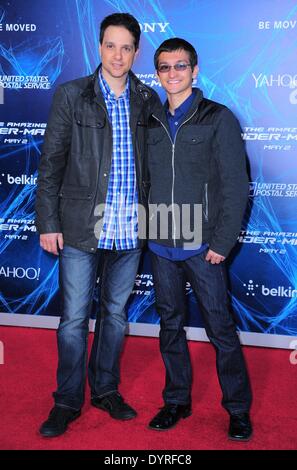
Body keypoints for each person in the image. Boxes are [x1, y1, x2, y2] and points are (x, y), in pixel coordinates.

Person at [35, 13, 159, 437]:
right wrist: (48, 221)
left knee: (115, 315)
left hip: (129, 229)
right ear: (99, 46)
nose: (118, 55)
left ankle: (105, 388)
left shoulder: (146, 99)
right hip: (81, 227)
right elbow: (50, 163)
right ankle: (67, 400)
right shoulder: (72, 95)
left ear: (136, 51)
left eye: (127, 47)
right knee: (73, 319)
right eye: (111, 45)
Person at [146, 38, 252, 441]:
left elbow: (235, 185)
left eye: (180, 66)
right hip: (160, 243)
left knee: (221, 330)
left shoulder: (218, 117)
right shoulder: (150, 118)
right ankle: (176, 400)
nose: (172, 74)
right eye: (165, 67)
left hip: (204, 245)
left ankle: (238, 409)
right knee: (169, 325)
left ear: (194, 70)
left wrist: (222, 242)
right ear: (157, 74)